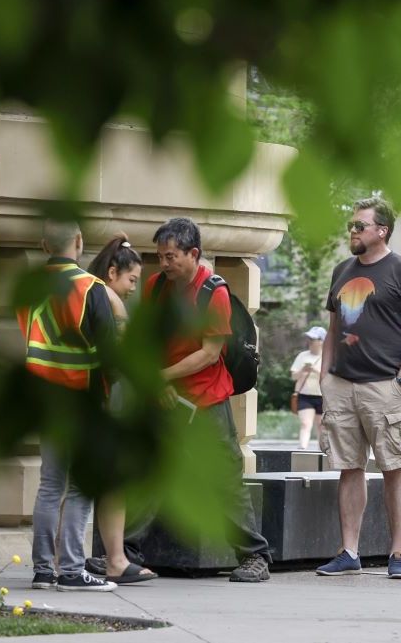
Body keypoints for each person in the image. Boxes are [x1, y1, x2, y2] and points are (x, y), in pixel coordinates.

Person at [144, 217, 273, 582]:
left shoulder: (212, 291)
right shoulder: (155, 288)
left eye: (171, 256)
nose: (165, 263)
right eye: (161, 257)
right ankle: (127, 555)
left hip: (206, 400)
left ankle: (255, 557)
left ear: (193, 254)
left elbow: (208, 353)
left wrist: (162, 377)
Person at [316, 197, 401, 579]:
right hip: (342, 384)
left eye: (359, 226)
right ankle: (349, 551)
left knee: (394, 467)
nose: (353, 231)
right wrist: (324, 377)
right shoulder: (341, 270)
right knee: (349, 468)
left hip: (385, 385)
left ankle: (397, 554)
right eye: (352, 225)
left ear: (381, 231)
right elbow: (333, 328)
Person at [17, 220, 118, 592]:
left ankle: (43, 571)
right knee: (79, 489)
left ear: (44, 245)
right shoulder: (91, 288)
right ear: (78, 241)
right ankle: (73, 571)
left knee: (49, 486)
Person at [85, 235, 156, 584]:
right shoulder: (108, 298)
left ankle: (109, 557)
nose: (133, 288)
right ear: (113, 271)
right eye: (132, 280)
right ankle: (114, 559)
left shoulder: (88, 291)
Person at [290, 326, 326, 450]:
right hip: (305, 396)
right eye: (309, 338)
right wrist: (302, 370)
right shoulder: (302, 356)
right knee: (305, 423)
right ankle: (302, 448)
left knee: (321, 425)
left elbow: (330, 377)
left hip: (323, 396)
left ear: (321, 341)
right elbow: (293, 376)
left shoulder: (327, 357)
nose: (310, 341)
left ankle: (322, 451)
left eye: (313, 338)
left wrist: (315, 370)